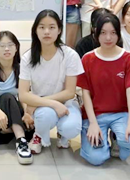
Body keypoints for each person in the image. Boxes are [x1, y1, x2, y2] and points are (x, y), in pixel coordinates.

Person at [78, 13, 130, 166]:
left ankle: (117, 138)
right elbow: (85, 93)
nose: (108, 38)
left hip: (121, 114)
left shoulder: (128, 58)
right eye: (103, 33)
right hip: (96, 115)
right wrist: (93, 123)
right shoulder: (87, 59)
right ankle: (103, 143)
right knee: (96, 158)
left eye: (113, 33)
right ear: (96, 33)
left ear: (118, 34)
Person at [18, 10, 83, 154]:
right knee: (44, 116)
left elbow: (70, 92)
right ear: (35, 30)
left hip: (65, 103)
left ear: (59, 30)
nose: (46, 32)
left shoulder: (70, 55)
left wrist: (38, 102)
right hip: (42, 107)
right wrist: (52, 104)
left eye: (52, 27)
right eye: (42, 27)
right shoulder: (28, 57)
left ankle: (63, 134)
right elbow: (22, 94)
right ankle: (39, 135)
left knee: (71, 128)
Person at [0, 31, 34, 165]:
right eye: (2, 46)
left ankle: (13, 132)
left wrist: (27, 113)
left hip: (14, 111)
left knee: (32, 118)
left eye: (11, 45)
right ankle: (21, 140)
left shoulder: (22, 69)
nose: (7, 49)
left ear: (16, 48)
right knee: (7, 97)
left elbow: (24, 96)